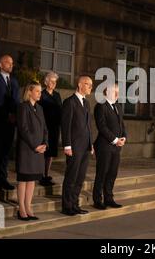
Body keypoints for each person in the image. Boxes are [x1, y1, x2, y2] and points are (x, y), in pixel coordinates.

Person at [60, 75, 94, 216]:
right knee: (71, 177)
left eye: (91, 85)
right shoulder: (69, 102)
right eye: (88, 84)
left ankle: (75, 205)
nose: (90, 87)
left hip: (85, 147)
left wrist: (91, 144)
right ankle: (67, 206)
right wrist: (67, 145)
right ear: (80, 85)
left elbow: (88, 126)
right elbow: (65, 126)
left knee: (80, 178)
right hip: (74, 147)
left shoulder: (86, 103)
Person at [16, 81, 48, 221]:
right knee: (24, 179)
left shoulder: (40, 108)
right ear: (29, 92)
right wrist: (35, 145)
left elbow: (45, 129)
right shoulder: (23, 107)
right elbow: (23, 129)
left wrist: (45, 144)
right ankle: (21, 208)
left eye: (41, 92)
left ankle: (28, 206)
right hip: (27, 149)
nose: (40, 94)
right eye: (37, 91)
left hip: (39, 149)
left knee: (32, 180)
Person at [0, 54, 20, 191]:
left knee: (6, 151)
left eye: (12, 62)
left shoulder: (14, 82)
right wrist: (7, 115)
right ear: (0, 65)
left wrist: (15, 115)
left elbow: (16, 101)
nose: (10, 65)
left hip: (11, 123)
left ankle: (3, 178)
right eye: (7, 62)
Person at [92, 83, 127, 210]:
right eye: (115, 92)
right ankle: (97, 200)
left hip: (116, 147)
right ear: (107, 92)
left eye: (118, 91)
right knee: (102, 173)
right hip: (104, 146)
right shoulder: (100, 106)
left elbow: (122, 124)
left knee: (112, 173)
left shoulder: (118, 106)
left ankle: (109, 198)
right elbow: (102, 127)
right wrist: (115, 139)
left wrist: (124, 137)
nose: (117, 94)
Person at [39, 72, 62, 186]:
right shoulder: (42, 95)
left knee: (51, 152)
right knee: (44, 151)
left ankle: (46, 175)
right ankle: (41, 175)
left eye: (55, 81)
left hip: (54, 127)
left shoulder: (57, 95)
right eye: (52, 81)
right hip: (44, 127)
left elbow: (60, 110)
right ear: (46, 82)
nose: (54, 83)